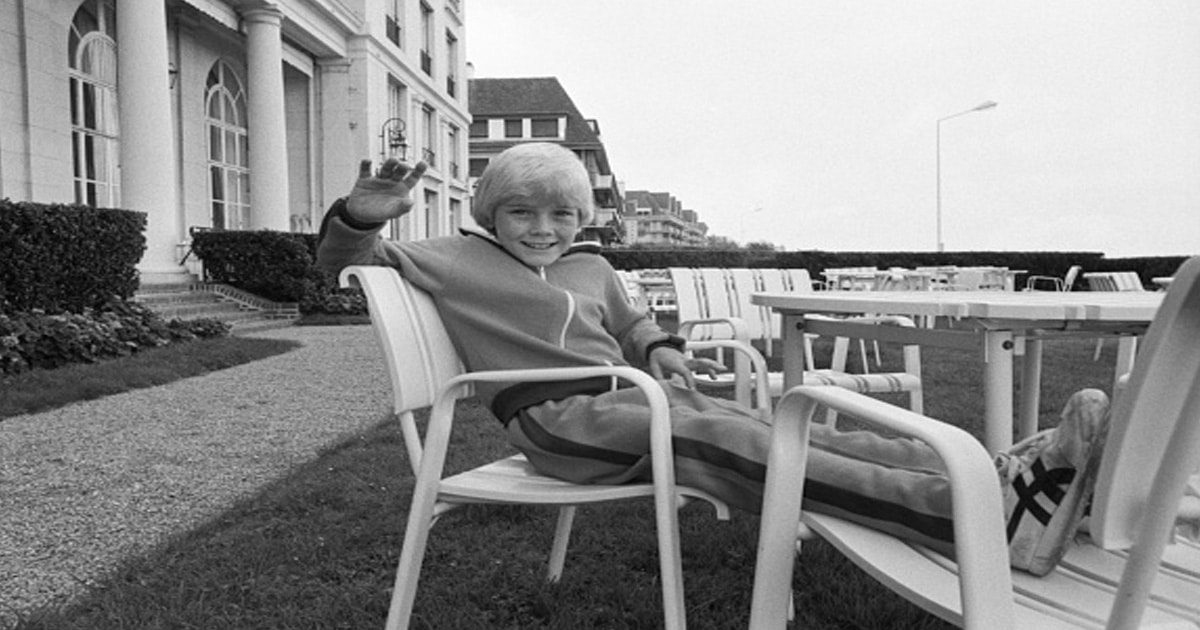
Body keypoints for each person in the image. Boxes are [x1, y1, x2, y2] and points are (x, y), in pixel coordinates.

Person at [316, 142, 1108, 575]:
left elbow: (633, 327)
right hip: (561, 422)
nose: (542, 227)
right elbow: (338, 266)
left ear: (582, 217)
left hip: (634, 398)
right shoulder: (450, 258)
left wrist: (657, 349)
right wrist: (359, 216)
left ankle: (995, 476)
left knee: (792, 427)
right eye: (520, 211)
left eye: (561, 213)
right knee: (740, 442)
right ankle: (975, 523)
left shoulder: (592, 266)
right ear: (490, 211)